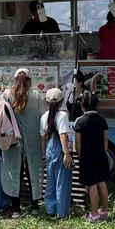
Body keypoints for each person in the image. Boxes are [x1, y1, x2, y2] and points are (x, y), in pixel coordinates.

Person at [0, 68, 45, 218]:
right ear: (30, 81)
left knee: (14, 172)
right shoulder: (36, 96)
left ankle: (15, 209)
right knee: (32, 171)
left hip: (12, 141)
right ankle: (34, 206)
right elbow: (44, 117)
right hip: (33, 142)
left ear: (14, 80)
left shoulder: (6, 95)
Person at [74, 91, 110, 223]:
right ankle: (104, 210)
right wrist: (104, 152)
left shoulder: (80, 121)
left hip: (87, 157)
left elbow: (78, 143)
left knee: (92, 184)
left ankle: (94, 215)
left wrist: (80, 157)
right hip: (101, 155)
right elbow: (105, 139)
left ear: (82, 105)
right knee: (102, 182)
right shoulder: (102, 119)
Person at [40, 88, 73, 219]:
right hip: (60, 149)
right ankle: (61, 212)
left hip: (49, 149)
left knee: (50, 181)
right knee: (62, 182)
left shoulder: (44, 116)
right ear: (61, 102)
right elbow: (62, 135)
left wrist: (43, 155)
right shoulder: (62, 115)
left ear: (46, 102)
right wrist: (66, 154)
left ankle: (50, 209)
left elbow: (42, 138)